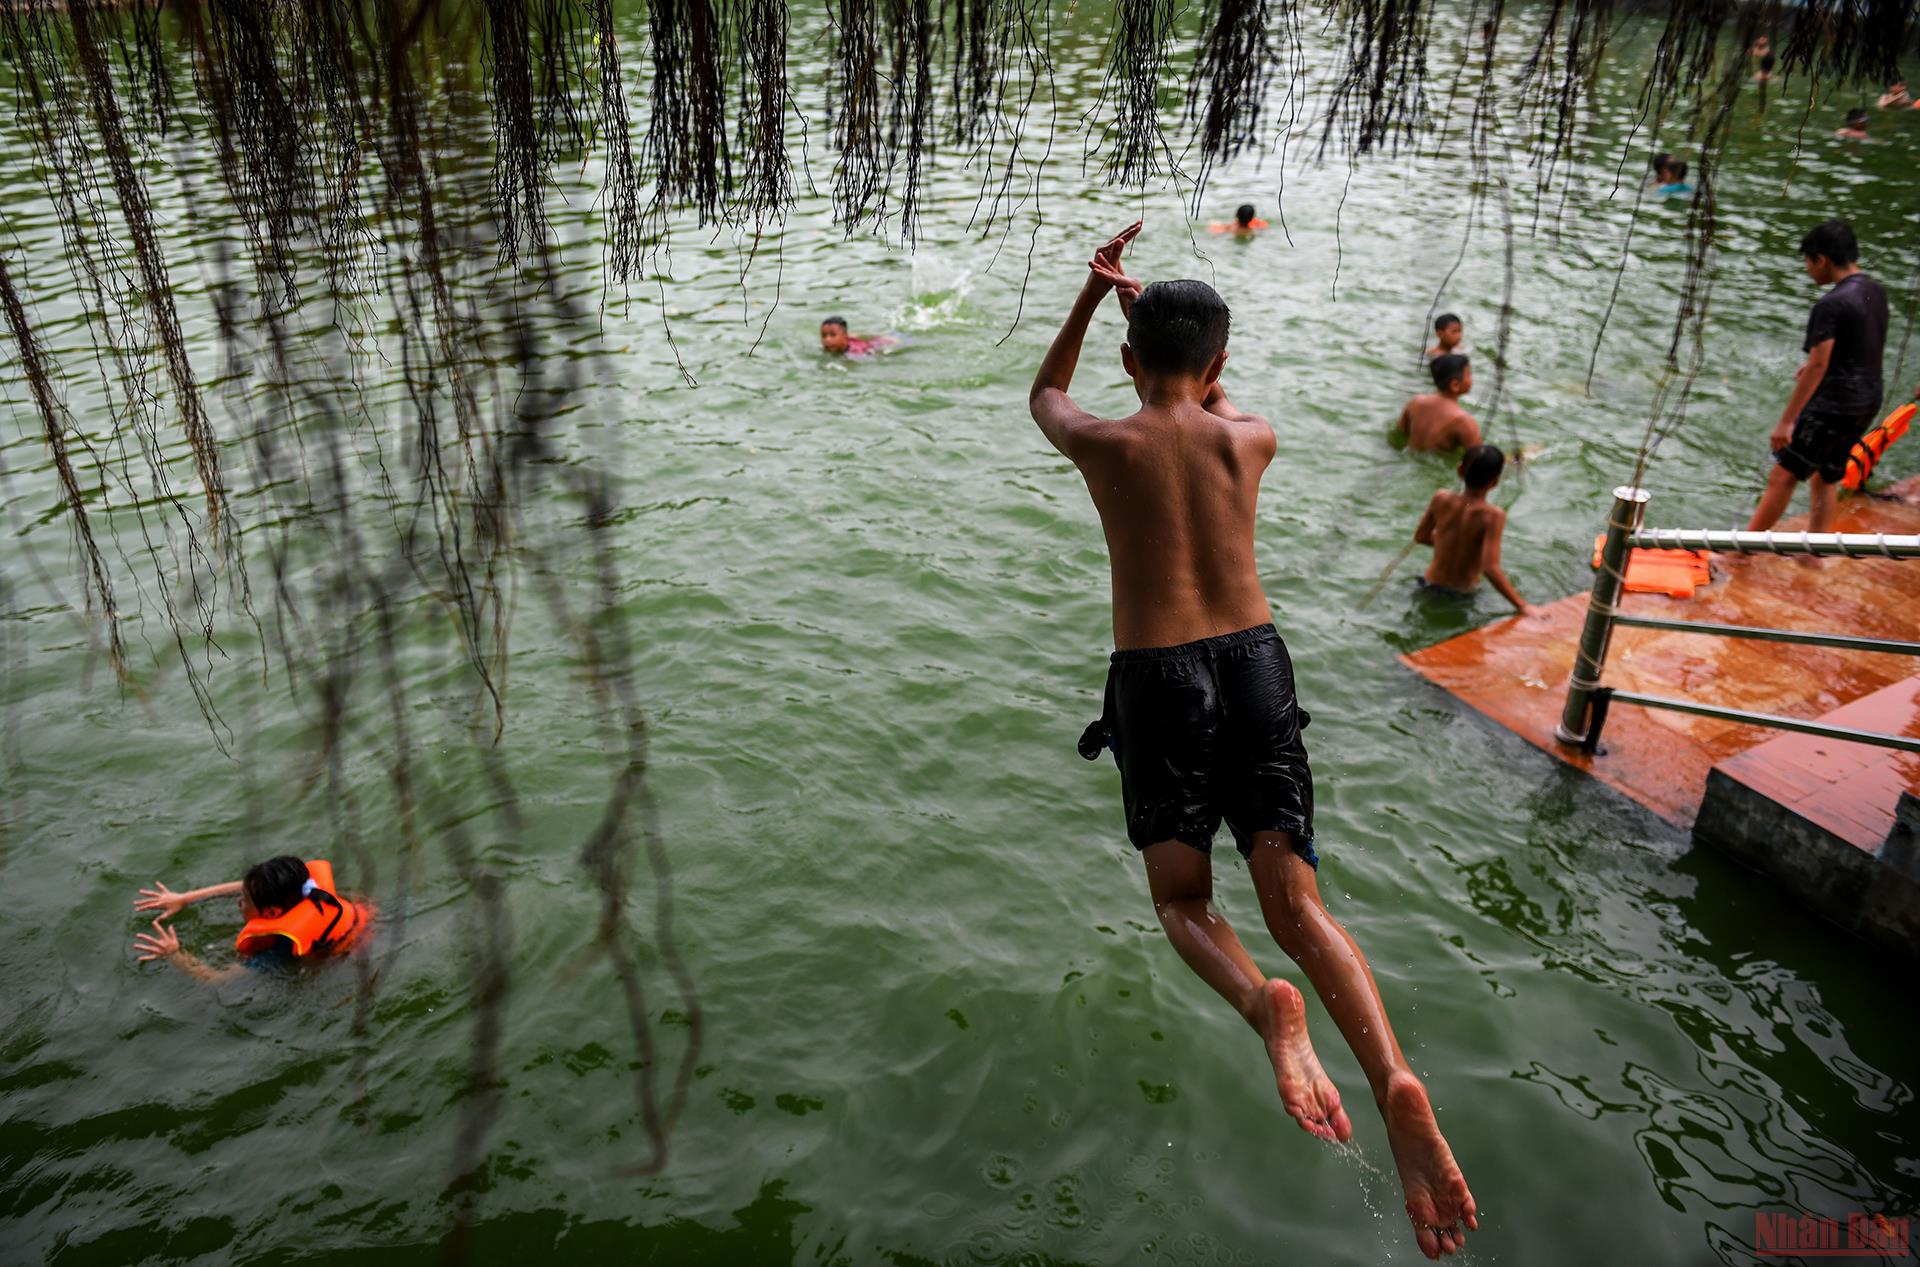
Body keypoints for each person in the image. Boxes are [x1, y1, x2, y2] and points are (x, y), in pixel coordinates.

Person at [1033, 221, 1478, 1260]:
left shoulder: (1105, 440)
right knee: (1298, 903)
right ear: (1223, 365)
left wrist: (1097, 301)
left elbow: (1045, 396)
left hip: (1160, 678)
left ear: (1130, 365)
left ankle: (1263, 1007)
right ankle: (1393, 1076)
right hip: (1257, 665)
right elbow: (1211, 397)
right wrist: (1174, 344)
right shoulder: (1254, 436)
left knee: (1187, 901)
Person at [1747, 219, 1889, 534]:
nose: (1808, 271)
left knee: (1783, 476)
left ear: (1821, 259)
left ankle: (1739, 552)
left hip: (1834, 404)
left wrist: (1787, 421)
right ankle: (1816, 551)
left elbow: (1818, 365)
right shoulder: (1874, 291)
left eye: (1808, 262)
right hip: (1866, 399)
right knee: (1826, 476)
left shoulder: (1831, 303)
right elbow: (1866, 341)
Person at [132, 856, 373, 983]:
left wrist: (175, 954)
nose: (238, 901)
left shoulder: (279, 949)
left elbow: (218, 979)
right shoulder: (306, 889)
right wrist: (185, 898)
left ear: (271, 914)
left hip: (353, 956)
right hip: (369, 917)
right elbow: (247, 887)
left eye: (244, 900)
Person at [1414, 445, 1528, 612]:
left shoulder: (1440, 498)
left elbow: (1421, 537)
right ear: (1495, 481)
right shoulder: (1492, 516)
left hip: (1428, 585)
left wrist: (1447, 544)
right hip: (1462, 594)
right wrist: (1523, 606)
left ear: (1460, 470)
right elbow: (1490, 568)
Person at [1397, 354, 1481, 453]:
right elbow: (1478, 459)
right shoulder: (1463, 420)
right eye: (1469, 374)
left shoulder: (1415, 402)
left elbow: (1400, 433)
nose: (1472, 378)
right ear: (1455, 385)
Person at [819, 316, 896, 358]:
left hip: (884, 343)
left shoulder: (856, 352)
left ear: (845, 336)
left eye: (833, 335)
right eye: (823, 335)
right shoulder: (828, 348)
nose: (827, 340)